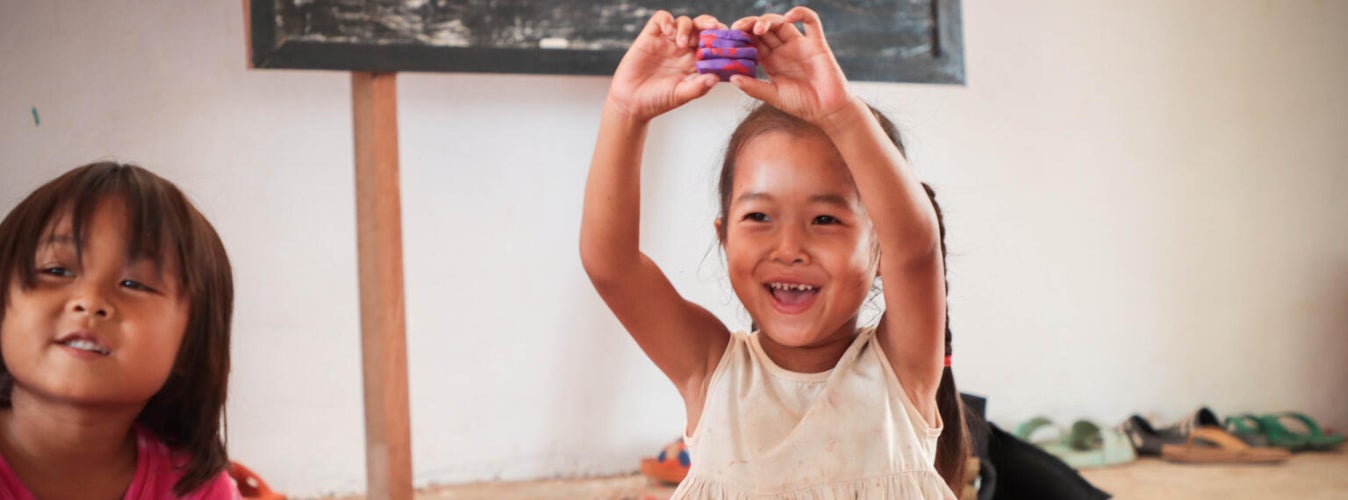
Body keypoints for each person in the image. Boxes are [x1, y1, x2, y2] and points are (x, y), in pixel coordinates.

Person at [581, 7, 969, 498]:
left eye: (825, 220)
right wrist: (626, 110)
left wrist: (840, 112)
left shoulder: (901, 371)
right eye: (759, 218)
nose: (789, 249)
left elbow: (916, 248)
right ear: (723, 238)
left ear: (878, 253)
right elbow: (610, 265)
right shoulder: (711, 370)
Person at [0, 162, 240, 499]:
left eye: (134, 283)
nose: (90, 301)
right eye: (56, 270)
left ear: (189, 345)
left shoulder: (196, 490)